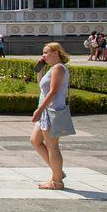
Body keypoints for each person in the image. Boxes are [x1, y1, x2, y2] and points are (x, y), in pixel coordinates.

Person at [32, 42, 74, 191]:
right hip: (46, 111)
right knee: (36, 141)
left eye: (46, 52)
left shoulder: (58, 68)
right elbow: (42, 86)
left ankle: (56, 182)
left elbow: (53, 91)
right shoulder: (52, 69)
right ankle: (58, 172)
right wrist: (40, 70)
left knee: (52, 146)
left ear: (56, 53)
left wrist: (39, 110)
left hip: (52, 110)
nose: (43, 55)